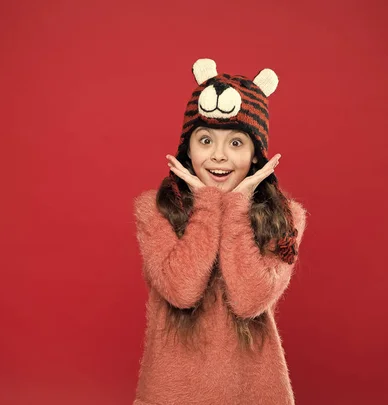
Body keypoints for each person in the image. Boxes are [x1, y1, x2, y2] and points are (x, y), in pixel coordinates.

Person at [132, 58, 308, 405]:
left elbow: (249, 300)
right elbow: (181, 290)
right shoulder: (155, 209)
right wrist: (209, 204)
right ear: (188, 147)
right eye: (206, 140)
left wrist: (238, 208)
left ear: (257, 155)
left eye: (236, 143)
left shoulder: (286, 218)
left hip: (254, 394)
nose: (218, 157)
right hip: (171, 393)